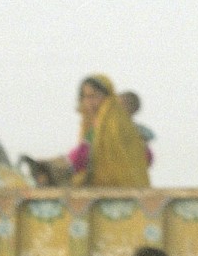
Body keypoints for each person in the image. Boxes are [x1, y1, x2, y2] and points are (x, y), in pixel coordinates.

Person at [22, 75, 152, 188]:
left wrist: (51, 167)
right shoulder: (100, 127)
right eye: (85, 97)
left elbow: (81, 158)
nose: (89, 102)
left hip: (113, 193)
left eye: (94, 96)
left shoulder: (112, 127)